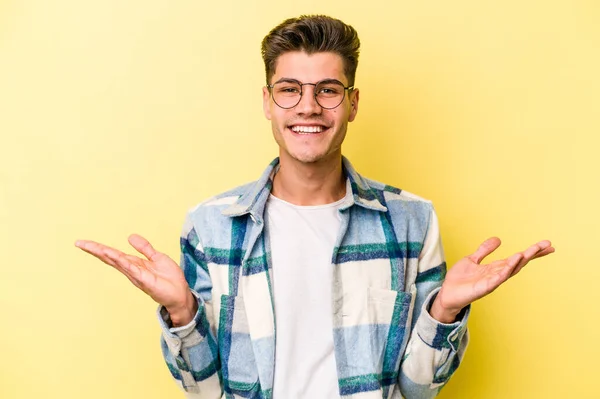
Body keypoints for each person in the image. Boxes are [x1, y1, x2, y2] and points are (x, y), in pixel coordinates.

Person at [75, 15, 554, 399]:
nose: (308, 107)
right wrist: (182, 313)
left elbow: (416, 390)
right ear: (268, 101)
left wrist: (444, 312)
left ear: (353, 103)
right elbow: (205, 391)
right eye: (289, 89)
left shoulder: (412, 221)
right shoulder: (212, 226)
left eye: (327, 90)